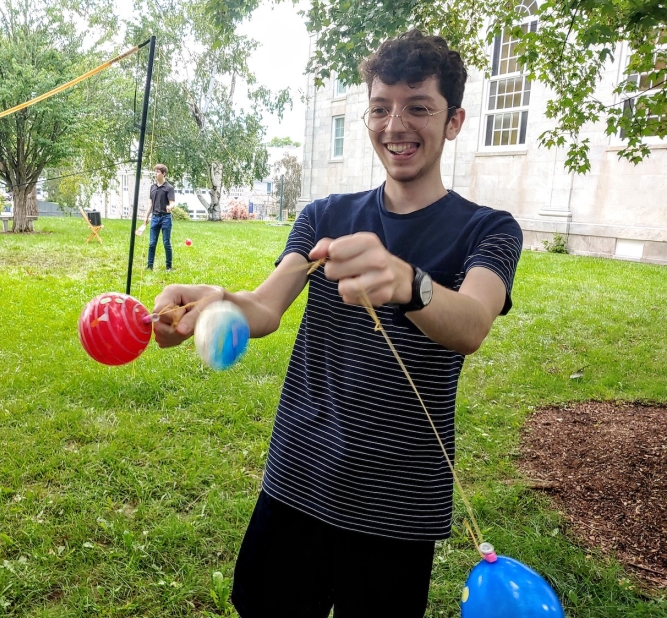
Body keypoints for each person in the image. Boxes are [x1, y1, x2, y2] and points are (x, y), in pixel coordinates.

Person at [151, 30, 523, 617]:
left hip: (396, 504)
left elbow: (472, 323)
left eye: (418, 107)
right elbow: (267, 307)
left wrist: (408, 281)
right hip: (299, 474)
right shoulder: (326, 214)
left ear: (453, 121)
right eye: (380, 107)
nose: (395, 125)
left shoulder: (489, 229)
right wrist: (215, 300)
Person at [144, 164, 176, 270]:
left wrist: (169, 207)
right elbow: (150, 203)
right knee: (152, 243)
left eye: (158, 172)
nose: (155, 174)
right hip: (155, 218)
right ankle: (149, 266)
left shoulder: (169, 188)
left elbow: (173, 203)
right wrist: (146, 216)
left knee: (166, 243)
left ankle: (168, 266)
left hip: (166, 218)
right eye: (155, 172)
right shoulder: (152, 188)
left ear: (163, 174)